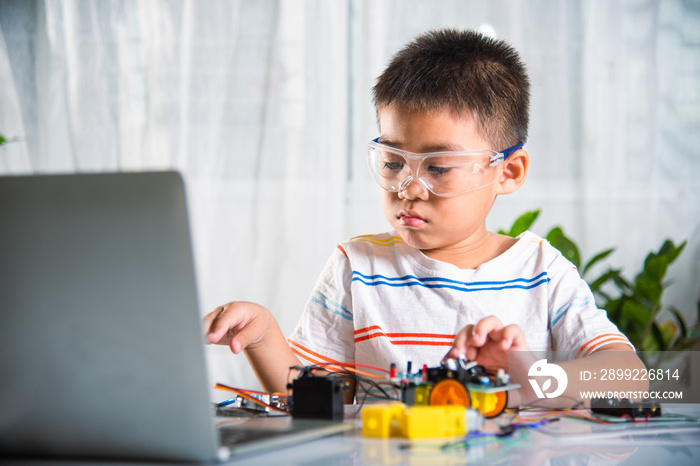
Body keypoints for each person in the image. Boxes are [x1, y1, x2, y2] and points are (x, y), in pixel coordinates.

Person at [204, 29, 646, 407]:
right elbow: (319, 403)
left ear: (507, 172)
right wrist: (264, 339)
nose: (408, 187)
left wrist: (536, 380)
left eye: (437, 167)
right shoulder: (358, 268)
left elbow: (631, 377)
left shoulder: (542, 273)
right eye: (394, 161)